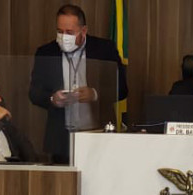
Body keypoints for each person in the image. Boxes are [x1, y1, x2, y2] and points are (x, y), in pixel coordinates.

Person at [29, 4, 128, 164]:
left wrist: (94, 94)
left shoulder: (104, 49)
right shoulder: (46, 52)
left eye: (69, 32)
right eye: (60, 31)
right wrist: (53, 99)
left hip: (98, 136)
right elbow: (34, 93)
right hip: (61, 140)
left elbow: (122, 89)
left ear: (83, 30)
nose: (64, 37)